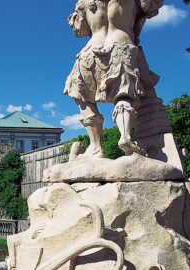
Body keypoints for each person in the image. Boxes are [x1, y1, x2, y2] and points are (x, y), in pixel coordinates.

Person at [64, 0, 162, 157]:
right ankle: (125, 137)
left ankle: (95, 146)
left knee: (80, 94)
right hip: (121, 46)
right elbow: (149, 8)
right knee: (123, 94)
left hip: (90, 52)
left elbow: (80, 30)